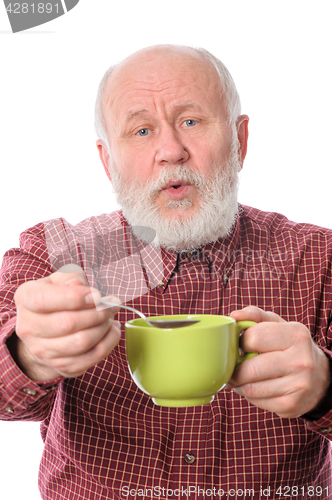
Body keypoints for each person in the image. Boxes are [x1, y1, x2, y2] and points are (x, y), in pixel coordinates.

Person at [1, 44, 332, 500]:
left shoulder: (320, 257)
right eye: (141, 130)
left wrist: (324, 389)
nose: (170, 150)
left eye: (191, 121)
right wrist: (29, 352)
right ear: (107, 161)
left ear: (241, 141)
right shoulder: (54, 253)